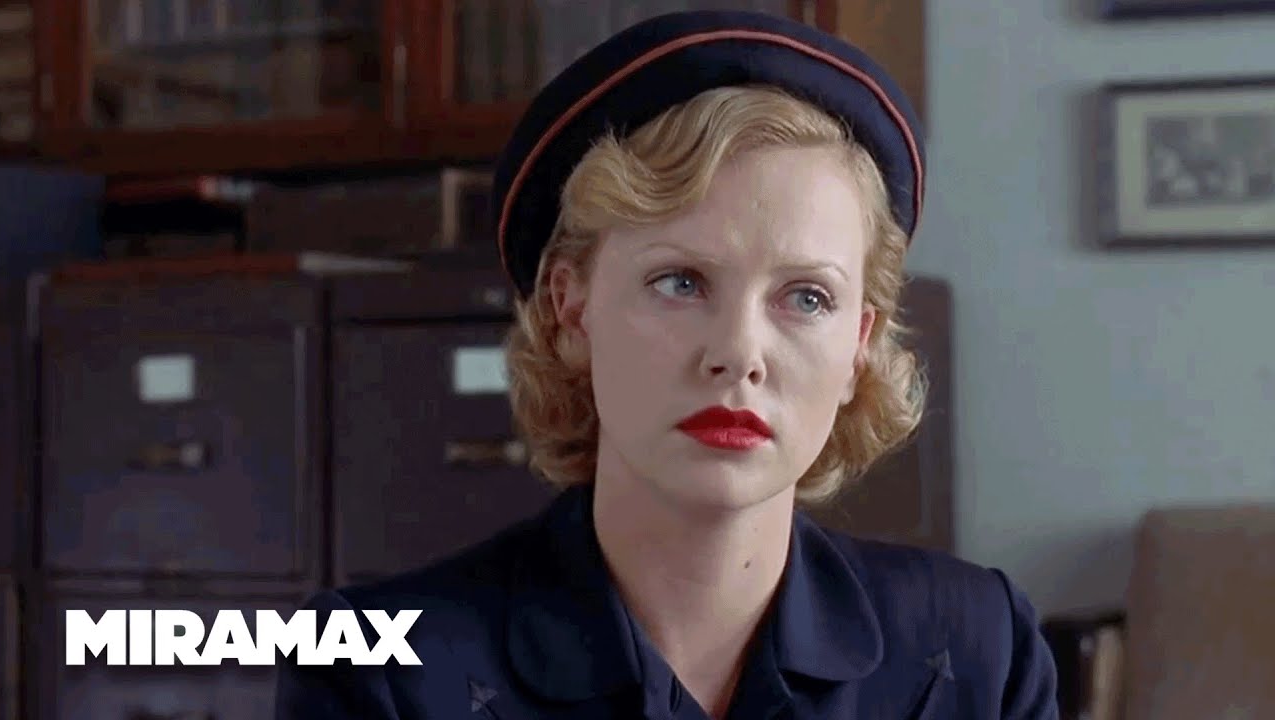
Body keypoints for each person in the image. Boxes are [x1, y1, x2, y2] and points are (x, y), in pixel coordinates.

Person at [275, 9, 1059, 720]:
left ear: (860, 345)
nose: (739, 355)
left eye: (806, 297)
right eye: (680, 282)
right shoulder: (376, 671)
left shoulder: (980, 654)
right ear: (571, 309)